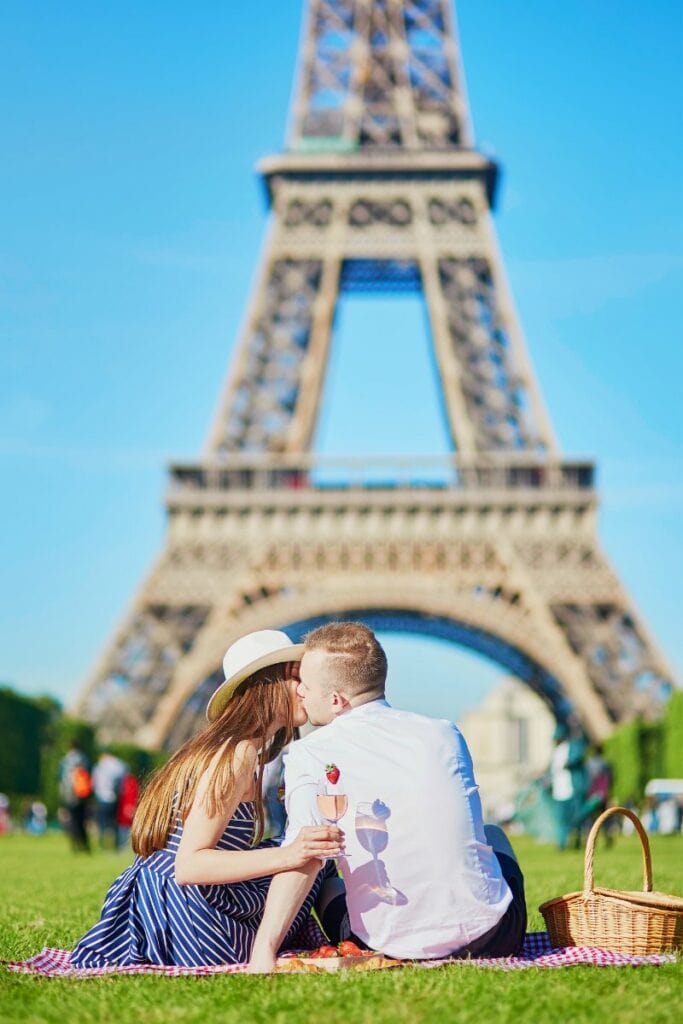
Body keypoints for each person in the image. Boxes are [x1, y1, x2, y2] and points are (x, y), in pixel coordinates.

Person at [248, 622, 527, 972]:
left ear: (336, 700)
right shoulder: (444, 733)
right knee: (494, 834)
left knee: (325, 879)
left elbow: (307, 855)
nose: (300, 692)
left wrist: (264, 950)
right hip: (492, 936)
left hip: (386, 947)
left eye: (306, 684)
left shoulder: (310, 753)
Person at [70, 630, 343, 968]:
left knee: (310, 850)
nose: (306, 688)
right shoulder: (238, 755)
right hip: (194, 923)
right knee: (310, 855)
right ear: (271, 682)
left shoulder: (239, 750)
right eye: (298, 677)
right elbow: (189, 865)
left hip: (176, 905)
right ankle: (353, 935)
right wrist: (290, 854)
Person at [58, 739, 92, 853]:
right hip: (82, 793)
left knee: (72, 819)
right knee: (82, 819)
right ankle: (85, 844)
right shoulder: (84, 759)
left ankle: (74, 844)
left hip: (69, 793)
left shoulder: (64, 760)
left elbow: (61, 779)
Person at [92, 751, 127, 849]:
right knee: (115, 823)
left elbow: (95, 782)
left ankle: (102, 845)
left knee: (102, 823)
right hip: (115, 797)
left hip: (102, 797)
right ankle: (116, 845)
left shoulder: (99, 766)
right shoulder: (119, 765)